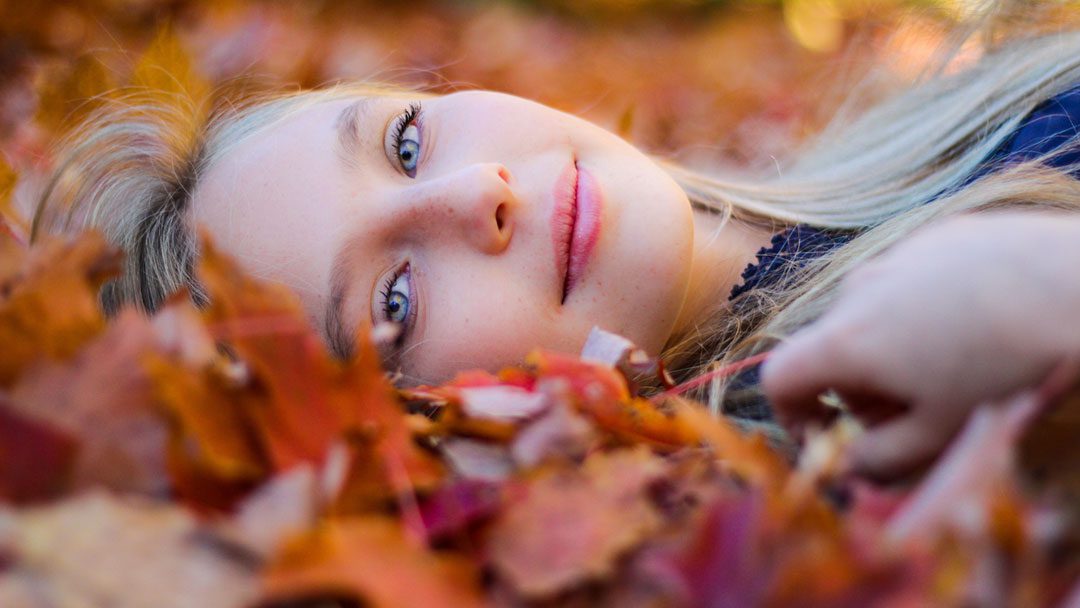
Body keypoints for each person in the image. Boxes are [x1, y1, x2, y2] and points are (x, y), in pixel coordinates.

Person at [29, 24, 1080, 482]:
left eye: (405, 141)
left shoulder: (956, 106)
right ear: (443, 426)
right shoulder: (878, 438)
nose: (472, 196)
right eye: (394, 296)